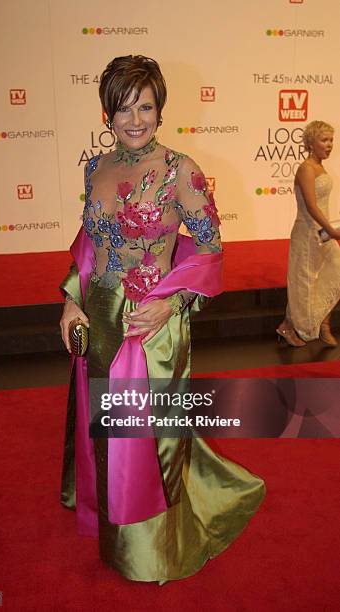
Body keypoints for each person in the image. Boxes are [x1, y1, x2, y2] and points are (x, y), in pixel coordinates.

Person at [59, 55, 265, 583]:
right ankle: (111, 525)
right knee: (109, 432)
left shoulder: (181, 170)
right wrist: (71, 299)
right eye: (123, 107)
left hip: (151, 325)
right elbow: (91, 244)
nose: (134, 119)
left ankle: (150, 550)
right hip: (101, 318)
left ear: (160, 109)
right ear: (107, 111)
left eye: (145, 106)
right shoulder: (95, 167)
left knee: (152, 442)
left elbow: (210, 250)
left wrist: (171, 303)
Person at [277, 120, 340, 347]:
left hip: (323, 232)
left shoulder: (321, 168)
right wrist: (332, 230)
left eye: (331, 140)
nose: (330, 144)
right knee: (302, 283)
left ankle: (322, 323)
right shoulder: (306, 168)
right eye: (324, 140)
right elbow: (312, 206)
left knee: (336, 272)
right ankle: (290, 326)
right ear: (311, 143)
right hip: (306, 233)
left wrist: (330, 230)